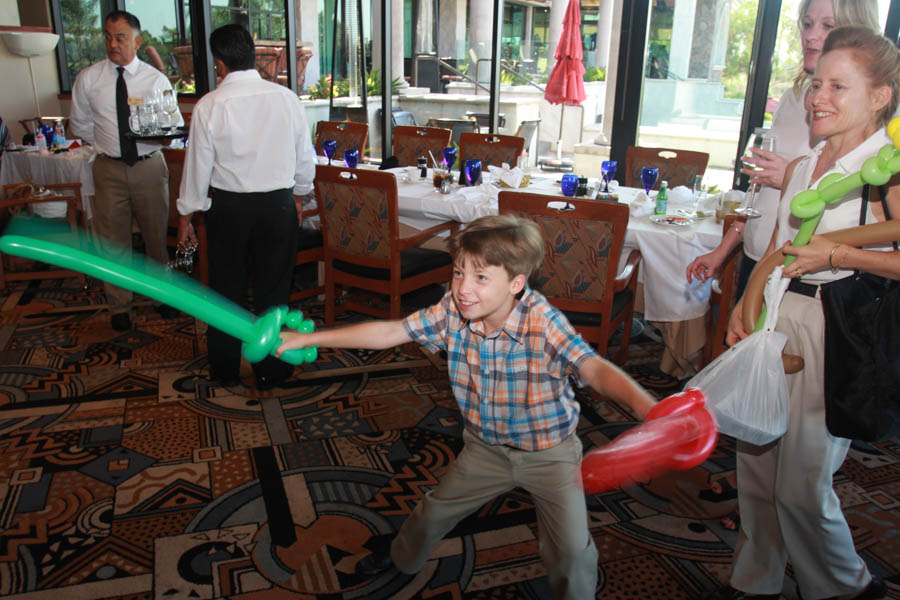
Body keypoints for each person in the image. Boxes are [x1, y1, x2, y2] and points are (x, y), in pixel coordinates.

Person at [276, 215, 658, 600]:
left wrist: (646, 407)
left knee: (572, 552)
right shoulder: (451, 311)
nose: (462, 288)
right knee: (434, 511)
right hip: (485, 448)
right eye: (458, 273)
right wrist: (313, 339)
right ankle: (401, 558)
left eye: (480, 277)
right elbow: (392, 332)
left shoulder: (542, 321)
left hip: (549, 455)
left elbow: (593, 367)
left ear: (516, 284)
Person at [706, 25, 900, 600]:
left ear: (880, 97)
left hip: (831, 327)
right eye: (818, 83)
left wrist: (838, 252)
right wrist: (744, 308)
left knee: (802, 484)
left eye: (840, 87)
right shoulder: (804, 165)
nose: (820, 97)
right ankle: (756, 575)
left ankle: (843, 586)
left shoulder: (885, 170)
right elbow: (773, 252)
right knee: (757, 463)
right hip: (773, 315)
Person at [686, 0, 879, 298]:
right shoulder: (792, 98)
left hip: (806, 274)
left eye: (828, 26)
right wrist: (722, 250)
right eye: (806, 24)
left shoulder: (864, 115)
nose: (811, 35)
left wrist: (787, 177)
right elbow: (757, 192)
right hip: (757, 255)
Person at [176, 24, 316, 391]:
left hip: (229, 209)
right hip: (277, 206)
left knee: (226, 291)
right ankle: (274, 369)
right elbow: (305, 161)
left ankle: (224, 367)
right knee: (274, 290)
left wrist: (185, 216)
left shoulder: (209, 105)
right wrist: (298, 197)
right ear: (253, 55)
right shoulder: (286, 98)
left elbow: (197, 170)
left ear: (218, 63)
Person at [69, 10, 183, 332]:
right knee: (113, 242)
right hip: (108, 169)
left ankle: (163, 297)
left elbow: (171, 124)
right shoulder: (89, 79)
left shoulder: (155, 80)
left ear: (137, 40)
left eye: (120, 37)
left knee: (156, 238)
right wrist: (111, 146)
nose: (112, 43)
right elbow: (80, 125)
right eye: (107, 36)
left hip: (149, 167)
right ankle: (119, 305)